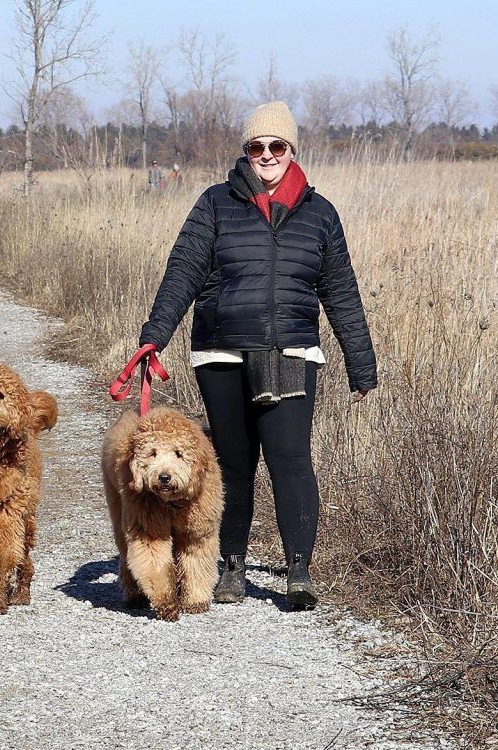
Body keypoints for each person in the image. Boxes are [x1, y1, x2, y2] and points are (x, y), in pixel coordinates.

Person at [137, 101, 376, 609]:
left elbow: (341, 292)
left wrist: (361, 364)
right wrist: (154, 335)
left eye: (277, 146)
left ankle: (298, 570)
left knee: (291, 459)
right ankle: (231, 564)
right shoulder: (215, 204)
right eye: (256, 146)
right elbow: (182, 272)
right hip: (221, 352)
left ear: (292, 151)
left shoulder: (320, 213)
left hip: (291, 351)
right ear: (245, 151)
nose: (266, 155)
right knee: (232, 462)